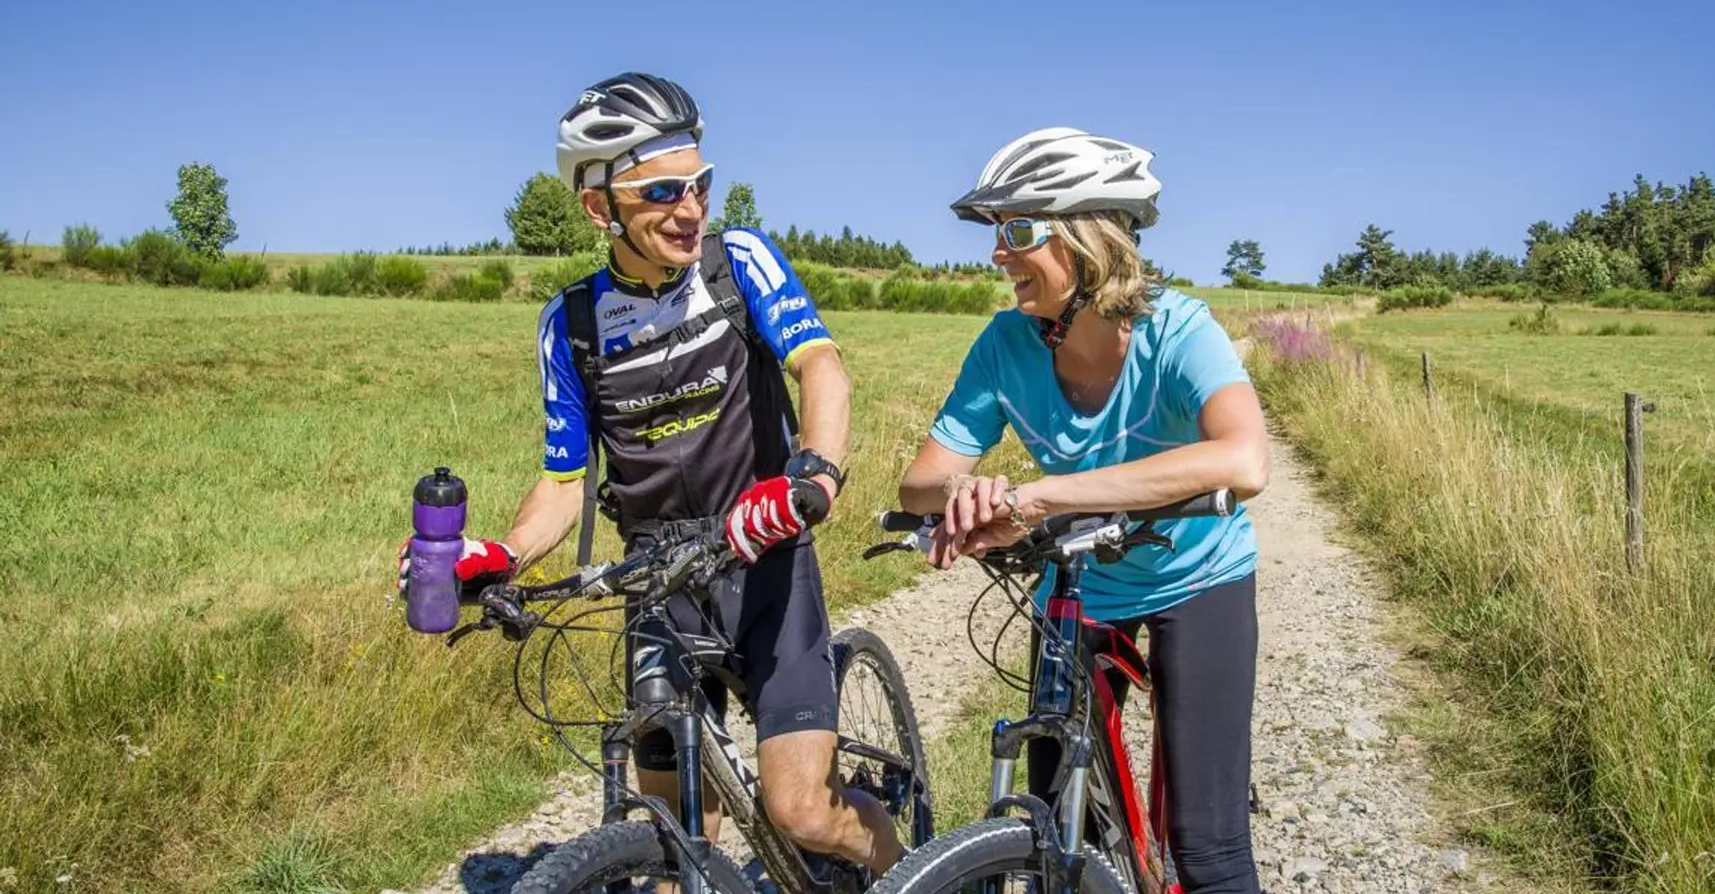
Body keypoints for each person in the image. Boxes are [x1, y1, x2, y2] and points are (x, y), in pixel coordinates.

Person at [401, 72, 903, 876]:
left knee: (803, 808)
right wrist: (499, 556)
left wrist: (813, 476)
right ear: (600, 208)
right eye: (663, 191)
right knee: (669, 829)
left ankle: (911, 872)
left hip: (763, 551)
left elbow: (823, 369)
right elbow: (564, 482)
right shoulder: (570, 324)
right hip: (657, 578)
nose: (690, 208)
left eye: (699, 184)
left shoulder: (739, 264)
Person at [896, 127, 1270, 894]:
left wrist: (1041, 496)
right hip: (1081, 587)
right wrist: (978, 494)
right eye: (997, 234)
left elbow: (1244, 460)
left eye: (1019, 231)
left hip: (1197, 580)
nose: (999, 254)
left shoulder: (1178, 330)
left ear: (1090, 242)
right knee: (1060, 826)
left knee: (1208, 852)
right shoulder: (1004, 345)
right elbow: (920, 483)